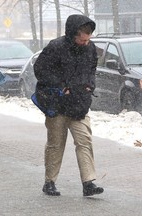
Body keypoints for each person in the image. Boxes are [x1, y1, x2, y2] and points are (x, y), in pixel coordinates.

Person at [33, 14, 104, 196]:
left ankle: (88, 183)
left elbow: (92, 70)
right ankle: (49, 182)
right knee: (56, 144)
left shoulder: (90, 49)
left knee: (84, 141)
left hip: (80, 103)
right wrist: (60, 86)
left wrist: (90, 85)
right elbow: (40, 69)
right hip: (57, 103)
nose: (85, 43)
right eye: (82, 39)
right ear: (73, 34)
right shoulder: (56, 47)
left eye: (88, 40)